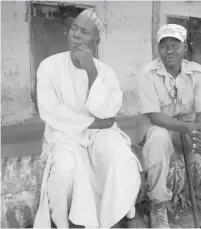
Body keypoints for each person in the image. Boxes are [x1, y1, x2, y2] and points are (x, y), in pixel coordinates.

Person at [33, 8, 142, 228]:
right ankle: (65, 223)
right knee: (65, 167)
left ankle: (121, 216)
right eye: (74, 28)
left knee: (121, 157)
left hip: (99, 134)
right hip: (64, 134)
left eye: (84, 32)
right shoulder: (49, 67)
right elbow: (51, 111)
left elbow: (107, 111)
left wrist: (92, 72)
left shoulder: (105, 71)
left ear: (96, 40)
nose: (76, 35)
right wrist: (94, 123)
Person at [138, 24, 201, 228]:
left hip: (190, 127)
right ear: (158, 49)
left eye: (175, 45)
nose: (169, 50)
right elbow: (155, 116)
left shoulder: (197, 72)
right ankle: (159, 204)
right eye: (164, 45)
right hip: (162, 127)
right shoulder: (147, 73)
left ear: (185, 47)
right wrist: (186, 129)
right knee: (157, 140)